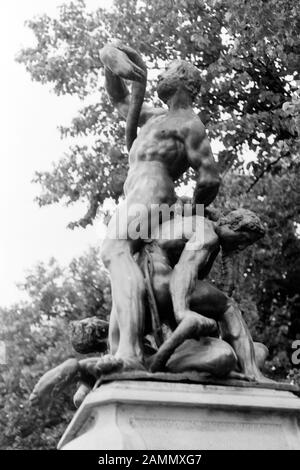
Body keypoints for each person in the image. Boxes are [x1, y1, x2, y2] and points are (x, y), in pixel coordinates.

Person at [99, 41, 220, 369]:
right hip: (139, 195)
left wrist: (188, 212)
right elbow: (122, 102)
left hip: (152, 193)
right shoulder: (154, 117)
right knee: (124, 260)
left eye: (167, 70)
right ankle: (123, 348)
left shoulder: (189, 124)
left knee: (114, 250)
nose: (160, 74)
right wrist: (109, 60)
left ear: (183, 81)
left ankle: (129, 352)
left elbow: (209, 178)